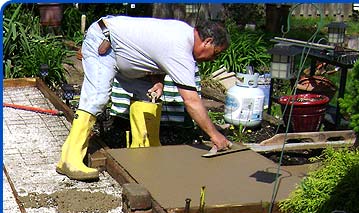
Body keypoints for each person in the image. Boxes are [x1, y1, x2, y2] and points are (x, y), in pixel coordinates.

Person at [56, 16, 231, 181]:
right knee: (97, 98)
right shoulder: (180, 46)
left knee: (149, 95)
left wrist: (158, 81)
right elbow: (191, 101)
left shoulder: (183, 35)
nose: (213, 59)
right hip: (105, 41)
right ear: (207, 42)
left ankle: (144, 155)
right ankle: (69, 159)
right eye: (215, 53)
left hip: (124, 52)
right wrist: (214, 135)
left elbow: (152, 53)